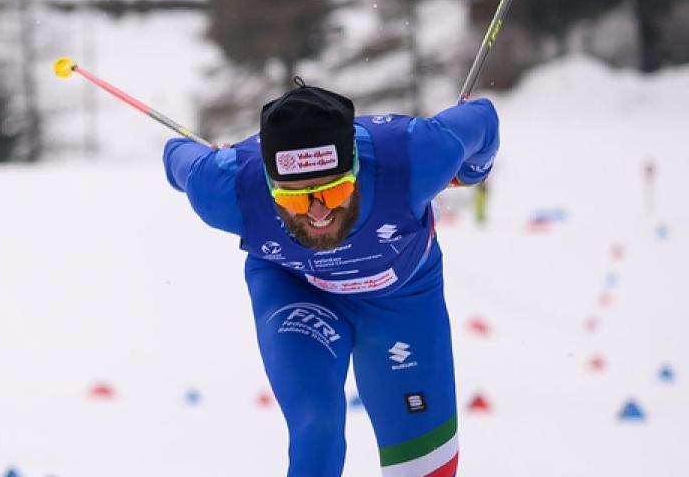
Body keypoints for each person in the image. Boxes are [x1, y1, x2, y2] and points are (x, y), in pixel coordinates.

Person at [163, 79, 497, 477]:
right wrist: (211, 159)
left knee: (428, 467)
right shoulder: (227, 188)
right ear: (269, 186)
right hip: (297, 287)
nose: (318, 213)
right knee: (316, 428)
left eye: (334, 192)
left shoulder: (414, 156)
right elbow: (175, 155)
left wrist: (472, 172)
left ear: (356, 170)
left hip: (403, 298)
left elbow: (484, 120)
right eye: (294, 198)